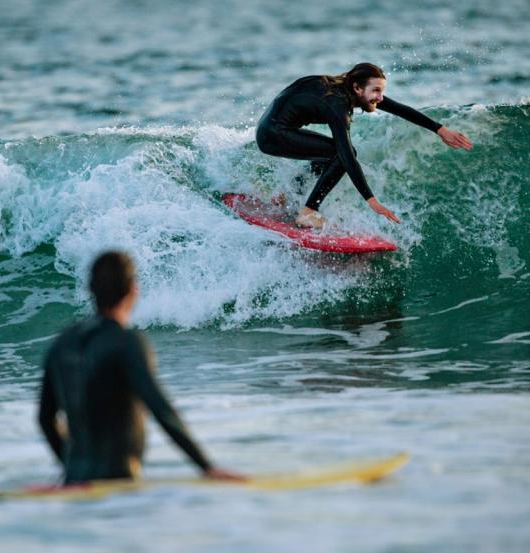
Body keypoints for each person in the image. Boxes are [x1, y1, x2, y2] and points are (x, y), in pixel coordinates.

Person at [38, 251, 243, 484]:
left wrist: (71, 467)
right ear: (133, 289)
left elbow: (46, 418)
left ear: (92, 290)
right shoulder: (126, 341)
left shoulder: (63, 341)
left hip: (74, 480)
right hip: (117, 484)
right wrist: (206, 467)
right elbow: (160, 408)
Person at [256, 62, 473, 229]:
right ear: (358, 88)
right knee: (339, 154)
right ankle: (308, 212)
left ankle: (284, 196)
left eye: (382, 91)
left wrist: (440, 129)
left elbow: (400, 109)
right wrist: (371, 200)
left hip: (272, 128)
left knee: (327, 153)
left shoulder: (345, 89)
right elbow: (347, 156)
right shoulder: (337, 105)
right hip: (273, 134)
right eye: (376, 91)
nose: (380, 98)